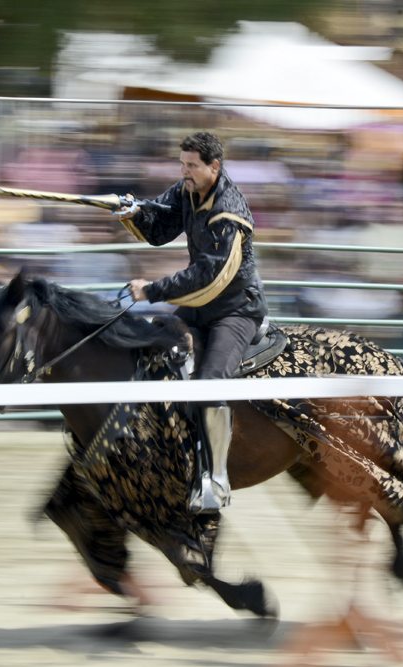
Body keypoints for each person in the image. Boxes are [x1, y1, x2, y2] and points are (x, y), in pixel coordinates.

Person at [115, 131, 268, 513]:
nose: (184, 171)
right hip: (200, 305)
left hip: (235, 308)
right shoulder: (187, 190)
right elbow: (160, 229)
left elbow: (209, 275)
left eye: (191, 165)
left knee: (211, 381)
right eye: (181, 164)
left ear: (214, 167)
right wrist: (135, 212)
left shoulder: (228, 210)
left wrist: (152, 290)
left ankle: (216, 480)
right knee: (152, 346)